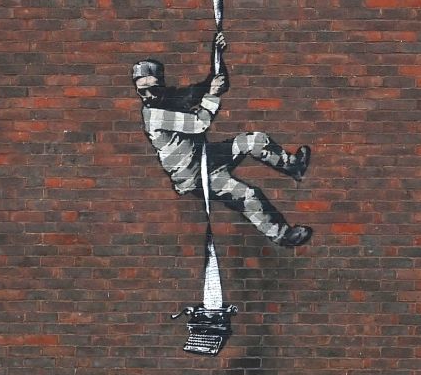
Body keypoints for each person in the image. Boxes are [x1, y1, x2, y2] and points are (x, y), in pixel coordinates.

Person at [132, 30, 313, 248]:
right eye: (143, 92)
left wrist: (217, 56)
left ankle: (294, 167)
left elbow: (215, 84)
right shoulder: (154, 115)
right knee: (247, 195)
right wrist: (212, 95)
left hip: (205, 157)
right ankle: (283, 235)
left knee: (255, 140)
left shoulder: (169, 97)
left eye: (154, 89)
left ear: (161, 84)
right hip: (193, 176)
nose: (150, 96)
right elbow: (200, 124)